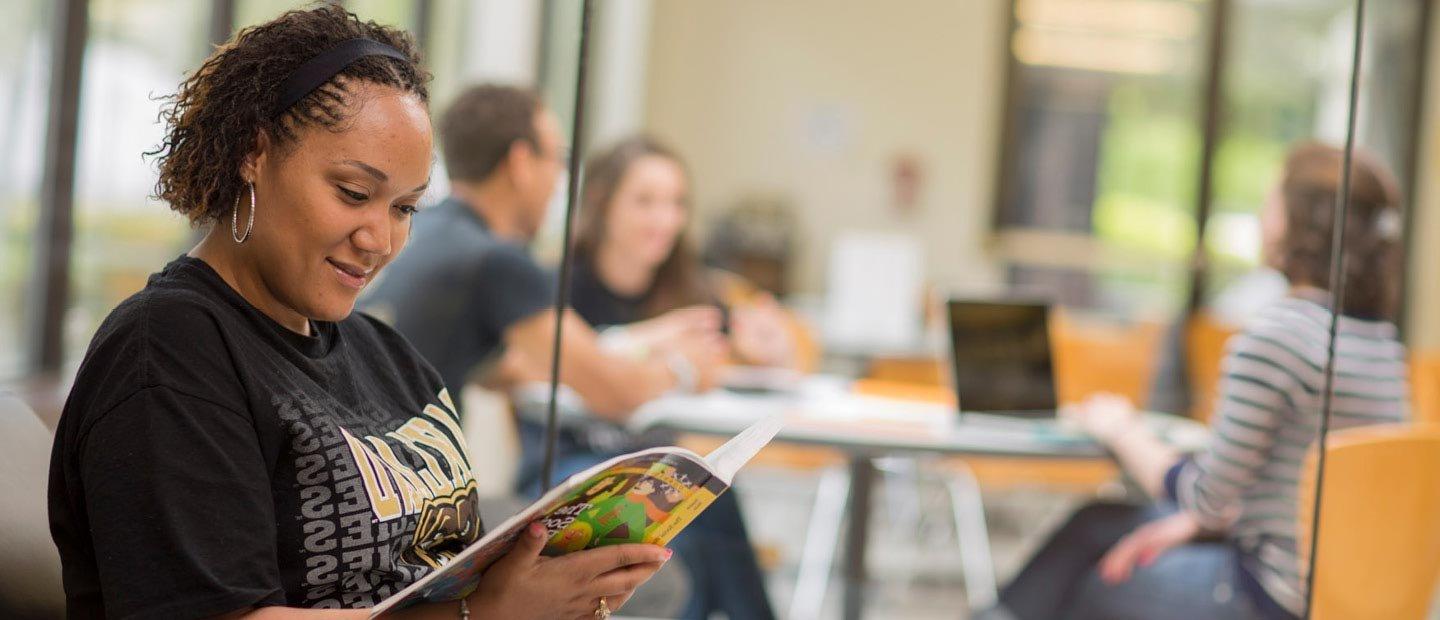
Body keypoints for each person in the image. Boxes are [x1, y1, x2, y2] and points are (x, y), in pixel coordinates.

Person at [47, 7, 668, 618]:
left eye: (404, 208)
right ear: (253, 153)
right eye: (353, 193)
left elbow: (446, 573)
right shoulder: (170, 350)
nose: (381, 240)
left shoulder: (389, 358)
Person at [981, 142, 1410, 620]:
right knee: (1098, 524)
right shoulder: (1381, 344)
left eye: (1271, 203)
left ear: (1299, 224)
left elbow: (1206, 496)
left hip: (1267, 597)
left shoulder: (1278, 335)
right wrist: (1193, 526)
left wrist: (1123, 431)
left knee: (1091, 575)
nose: (1261, 218)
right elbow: (1286, 503)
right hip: (1342, 595)